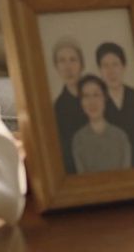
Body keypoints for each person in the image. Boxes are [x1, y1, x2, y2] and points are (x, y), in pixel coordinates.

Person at [97, 42, 134, 168]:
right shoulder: (95, 104)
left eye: (115, 64)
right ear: (100, 70)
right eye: (105, 66)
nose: (111, 71)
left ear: (123, 67)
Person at [71, 75, 131, 173]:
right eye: (86, 96)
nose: (92, 102)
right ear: (81, 102)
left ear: (105, 98)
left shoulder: (120, 136)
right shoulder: (78, 139)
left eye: (96, 95)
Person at [50, 37, 88, 174]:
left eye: (73, 60)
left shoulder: (99, 95)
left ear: (81, 65)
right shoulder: (58, 108)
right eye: (62, 61)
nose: (68, 67)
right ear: (56, 67)